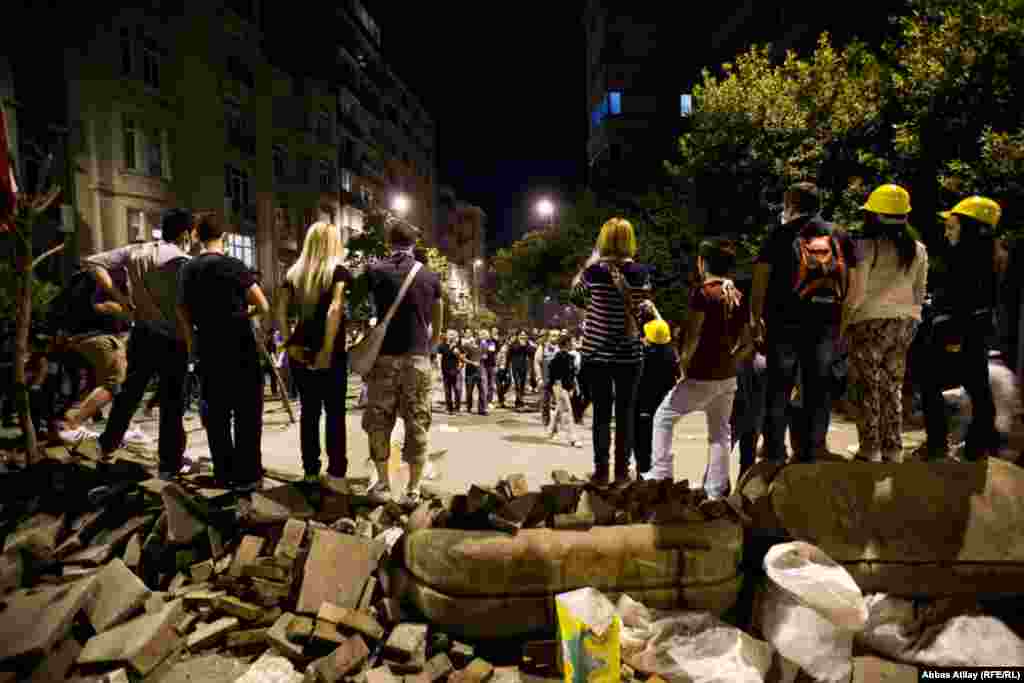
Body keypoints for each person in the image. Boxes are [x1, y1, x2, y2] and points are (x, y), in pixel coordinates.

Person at [750, 182, 859, 463]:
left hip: (783, 322)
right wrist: (844, 323)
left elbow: (761, 278)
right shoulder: (840, 235)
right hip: (825, 323)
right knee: (817, 386)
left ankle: (774, 449)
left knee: (779, 386)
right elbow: (853, 284)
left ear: (791, 205)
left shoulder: (780, 234)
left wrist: (755, 317)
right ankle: (812, 448)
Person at [648, 239, 752, 499]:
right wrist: (735, 360)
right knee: (720, 432)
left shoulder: (704, 293)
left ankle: (661, 474)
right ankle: (716, 491)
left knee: (664, 417)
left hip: (702, 373)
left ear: (702, 263)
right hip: (727, 377)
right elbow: (750, 337)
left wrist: (683, 362)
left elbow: (693, 334)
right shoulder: (738, 294)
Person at [177, 212, 270, 491]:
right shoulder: (234, 266)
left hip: (208, 346)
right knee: (247, 412)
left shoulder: (188, 269)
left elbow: (182, 312)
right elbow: (263, 305)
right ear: (224, 237)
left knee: (216, 415)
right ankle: (249, 474)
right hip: (240, 346)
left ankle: (224, 471)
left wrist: (193, 344)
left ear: (196, 236)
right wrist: (243, 314)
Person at [353, 220, 443, 505]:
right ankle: (413, 490)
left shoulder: (374, 270)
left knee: (379, 422)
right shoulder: (429, 276)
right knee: (417, 422)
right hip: (417, 358)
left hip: (384, 359)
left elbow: (354, 303)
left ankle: (381, 483)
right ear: (414, 243)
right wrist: (432, 344)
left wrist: (368, 328)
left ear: (388, 242)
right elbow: (438, 315)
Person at [841, 185, 928, 463]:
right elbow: (919, 291)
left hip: (869, 323)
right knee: (892, 386)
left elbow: (856, 295)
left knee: (867, 386)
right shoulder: (918, 249)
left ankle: (870, 449)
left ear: (875, 215)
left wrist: (843, 324)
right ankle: (894, 449)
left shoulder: (865, 247)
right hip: (905, 324)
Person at [918, 196, 1007, 461]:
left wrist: (939, 313)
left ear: (970, 227)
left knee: (930, 382)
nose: (947, 233)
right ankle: (977, 447)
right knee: (978, 388)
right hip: (976, 330)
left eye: (952, 227)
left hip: (955, 329)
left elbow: (960, 299)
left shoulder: (965, 258)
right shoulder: (994, 253)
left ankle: (936, 444)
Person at [570, 217, 653, 485]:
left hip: (598, 354)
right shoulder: (641, 272)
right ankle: (621, 473)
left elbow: (576, 297)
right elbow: (643, 306)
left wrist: (591, 263)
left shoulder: (593, 273)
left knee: (602, 415)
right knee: (626, 414)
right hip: (630, 353)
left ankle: (601, 472)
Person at [275, 220, 352, 488]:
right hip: (330, 352)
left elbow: (280, 311)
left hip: (300, 350)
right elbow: (335, 309)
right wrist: (327, 350)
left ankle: (310, 470)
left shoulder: (293, 273)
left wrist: (288, 344)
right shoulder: (338, 272)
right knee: (334, 413)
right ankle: (336, 473)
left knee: (309, 412)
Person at [634, 318, 680, 477]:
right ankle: (658, 475)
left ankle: (644, 474)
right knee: (660, 441)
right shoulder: (670, 354)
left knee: (642, 442)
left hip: (643, 404)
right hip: (663, 404)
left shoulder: (644, 355)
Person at [547, 333, 582, 447]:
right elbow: (555, 375)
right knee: (567, 411)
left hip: (565, 387)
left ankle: (551, 430)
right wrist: (559, 388)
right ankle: (572, 438)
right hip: (560, 387)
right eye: (571, 341)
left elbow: (572, 375)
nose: (573, 343)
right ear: (566, 343)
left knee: (559, 409)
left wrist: (573, 387)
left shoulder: (569, 357)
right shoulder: (559, 357)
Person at [534, 331, 560, 427]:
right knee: (545, 402)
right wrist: (539, 377)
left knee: (558, 402)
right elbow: (537, 362)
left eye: (557, 336)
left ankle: (555, 425)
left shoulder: (561, 347)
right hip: (545, 378)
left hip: (557, 380)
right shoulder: (543, 347)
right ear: (548, 337)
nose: (556, 337)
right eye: (553, 335)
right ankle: (546, 422)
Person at [438, 329, 464, 414]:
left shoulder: (458, 346)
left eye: (453, 334)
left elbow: (462, 358)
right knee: (447, 391)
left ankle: (457, 408)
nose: (451, 336)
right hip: (445, 371)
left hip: (456, 372)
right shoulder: (442, 346)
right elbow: (439, 358)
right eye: (450, 334)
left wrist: (459, 367)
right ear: (447, 336)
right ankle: (449, 408)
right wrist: (439, 370)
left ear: (456, 336)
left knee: (457, 390)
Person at [461, 330, 486, 415]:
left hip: (479, 372)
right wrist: (472, 362)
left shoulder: (482, 347)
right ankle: (469, 408)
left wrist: (483, 357)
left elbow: (484, 356)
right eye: (480, 336)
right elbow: (462, 358)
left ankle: (482, 410)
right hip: (470, 373)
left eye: (482, 336)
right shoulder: (467, 346)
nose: (481, 337)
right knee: (469, 392)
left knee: (482, 391)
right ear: (475, 337)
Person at [506, 330, 531, 409]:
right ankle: (519, 402)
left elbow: (531, 352)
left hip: (524, 366)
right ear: (518, 336)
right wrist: (507, 368)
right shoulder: (514, 343)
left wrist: (526, 345)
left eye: (524, 335)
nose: (523, 336)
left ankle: (519, 401)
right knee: (517, 384)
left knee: (522, 385)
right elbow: (509, 355)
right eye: (521, 335)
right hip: (515, 366)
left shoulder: (527, 343)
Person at [480, 328, 497, 408]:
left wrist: (484, 348)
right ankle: (484, 401)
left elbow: (491, 352)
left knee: (491, 384)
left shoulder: (491, 342)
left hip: (491, 365)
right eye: (482, 334)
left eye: (485, 334)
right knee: (484, 383)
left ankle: (489, 401)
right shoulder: (478, 342)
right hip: (482, 365)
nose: (484, 336)